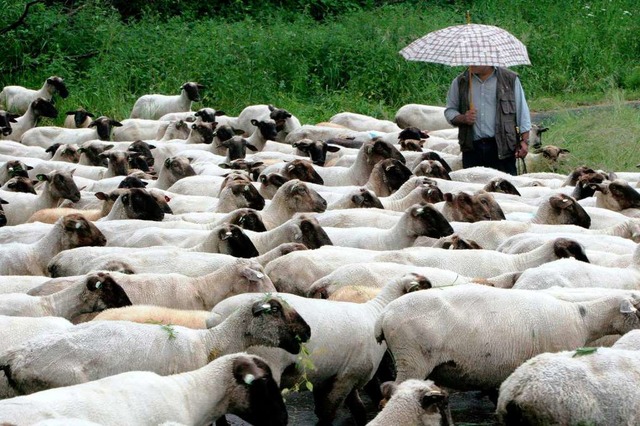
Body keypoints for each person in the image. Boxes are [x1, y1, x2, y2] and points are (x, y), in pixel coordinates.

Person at [444, 65, 531, 175]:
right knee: (474, 189)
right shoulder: (461, 81)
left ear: (488, 58)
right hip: (472, 149)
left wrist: (525, 141)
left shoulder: (509, 79)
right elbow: (450, 110)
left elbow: (522, 111)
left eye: (476, 58)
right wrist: (463, 118)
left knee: (504, 189)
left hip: (502, 148)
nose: (472, 63)